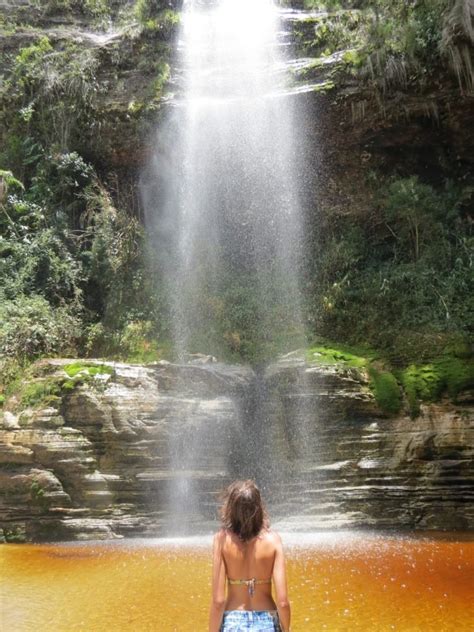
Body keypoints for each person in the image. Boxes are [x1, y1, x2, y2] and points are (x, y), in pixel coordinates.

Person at [209, 480, 291, 632]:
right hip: (266, 621)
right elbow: (283, 602)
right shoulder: (274, 541)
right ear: (259, 507)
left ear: (230, 508)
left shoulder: (221, 540)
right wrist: (286, 629)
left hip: (233, 622)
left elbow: (218, 601)